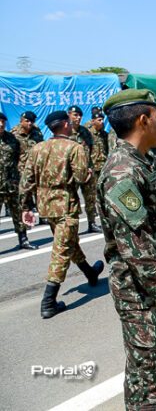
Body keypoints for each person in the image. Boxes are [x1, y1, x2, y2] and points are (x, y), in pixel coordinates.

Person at [98, 88, 156, 411]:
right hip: (142, 296)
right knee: (150, 382)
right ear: (143, 120)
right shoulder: (122, 172)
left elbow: (154, 234)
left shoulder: (137, 162)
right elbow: (139, 251)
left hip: (151, 290)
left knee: (149, 376)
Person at [20, 111, 104, 319]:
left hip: (46, 208)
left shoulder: (37, 148)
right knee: (61, 251)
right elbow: (82, 176)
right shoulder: (74, 148)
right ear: (66, 124)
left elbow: (26, 180)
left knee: (68, 243)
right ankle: (48, 302)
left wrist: (25, 207)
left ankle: (90, 273)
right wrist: (89, 173)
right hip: (65, 207)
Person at [0, 113, 38, 250]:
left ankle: (23, 239)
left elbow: (18, 159)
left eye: (3, 122)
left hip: (12, 183)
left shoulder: (12, 138)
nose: (1, 124)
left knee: (18, 212)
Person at [67, 105, 102, 233]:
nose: (78, 118)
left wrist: (90, 167)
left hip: (87, 171)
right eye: (75, 115)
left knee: (90, 198)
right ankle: (70, 226)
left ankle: (92, 223)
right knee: (71, 200)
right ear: (69, 115)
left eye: (80, 115)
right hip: (72, 173)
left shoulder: (85, 131)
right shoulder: (66, 132)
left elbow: (91, 149)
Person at [87, 108, 109, 219]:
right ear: (93, 121)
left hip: (104, 166)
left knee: (105, 191)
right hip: (93, 167)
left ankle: (105, 211)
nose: (102, 122)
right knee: (92, 193)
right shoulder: (88, 134)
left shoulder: (104, 134)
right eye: (99, 120)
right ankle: (92, 218)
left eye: (102, 119)